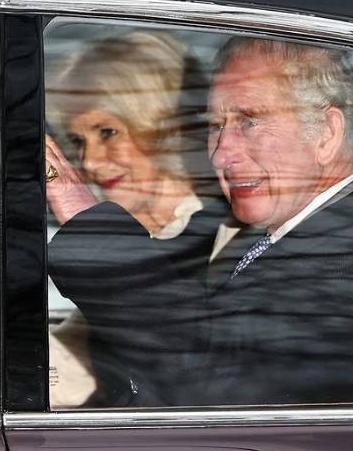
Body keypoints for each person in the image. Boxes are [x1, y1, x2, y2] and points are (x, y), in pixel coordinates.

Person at [203, 37, 353, 404]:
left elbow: (210, 405)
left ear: (326, 134)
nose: (220, 155)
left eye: (249, 121)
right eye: (216, 126)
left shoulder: (344, 274)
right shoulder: (315, 239)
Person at [45, 29, 225, 407]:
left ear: (161, 125)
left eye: (108, 132)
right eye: (78, 141)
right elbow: (69, 366)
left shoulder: (220, 238)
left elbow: (170, 357)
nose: (90, 162)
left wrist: (81, 217)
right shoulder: (145, 232)